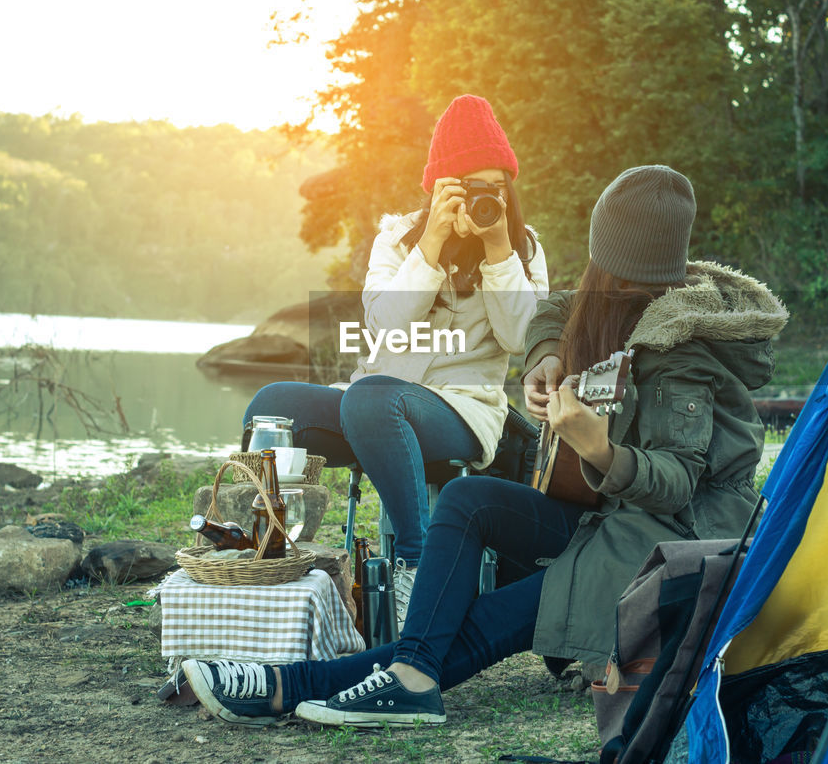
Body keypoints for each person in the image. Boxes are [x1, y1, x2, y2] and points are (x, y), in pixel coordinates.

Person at [190, 164, 788, 728]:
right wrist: (546, 355)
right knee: (470, 499)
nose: (596, 278)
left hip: (670, 540)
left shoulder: (684, 352)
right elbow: (557, 307)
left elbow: (678, 484)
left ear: (628, 263)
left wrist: (599, 450)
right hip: (608, 514)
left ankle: (285, 686)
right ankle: (397, 676)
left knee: (484, 625)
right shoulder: (624, 299)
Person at [242, 95, 548, 626]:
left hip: (461, 412)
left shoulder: (522, 248)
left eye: (494, 189)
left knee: (371, 397)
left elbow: (521, 337)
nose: (483, 201)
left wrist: (500, 251)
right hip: (377, 403)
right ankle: (271, 558)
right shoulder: (400, 238)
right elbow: (386, 329)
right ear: (438, 189)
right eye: (468, 188)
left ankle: (415, 566)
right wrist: (430, 246)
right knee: (270, 407)